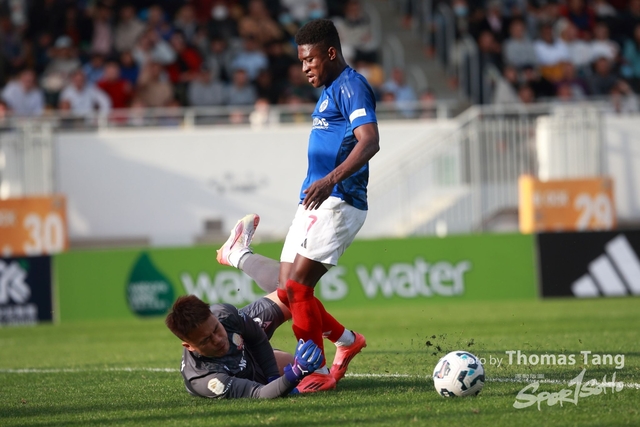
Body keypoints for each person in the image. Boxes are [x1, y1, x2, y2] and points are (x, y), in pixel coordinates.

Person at [222, 19, 379, 393]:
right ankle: (346, 341)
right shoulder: (328, 91)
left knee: (298, 287)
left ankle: (315, 369)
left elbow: (369, 140)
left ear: (330, 53)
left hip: (339, 200)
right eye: (301, 61)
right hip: (315, 198)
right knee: (286, 289)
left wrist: (330, 180)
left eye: (310, 59)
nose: (305, 68)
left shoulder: (351, 86)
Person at [216, 213, 369, 392]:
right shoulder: (202, 377)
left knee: (291, 290)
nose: (214, 338)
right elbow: (261, 394)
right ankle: (236, 254)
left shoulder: (222, 324)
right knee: (292, 291)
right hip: (238, 357)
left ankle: (236, 254)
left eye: (212, 330)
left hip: (233, 332)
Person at [165, 292, 323, 399]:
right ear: (189, 346)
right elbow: (259, 393)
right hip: (242, 374)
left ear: (213, 315)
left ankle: (237, 257)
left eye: (216, 329)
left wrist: (273, 376)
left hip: (242, 340)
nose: (218, 340)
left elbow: (258, 339)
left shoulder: (224, 314)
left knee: (293, 292)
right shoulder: (206, 379)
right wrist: (295, 374)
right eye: (206, 340)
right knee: (288, 364)